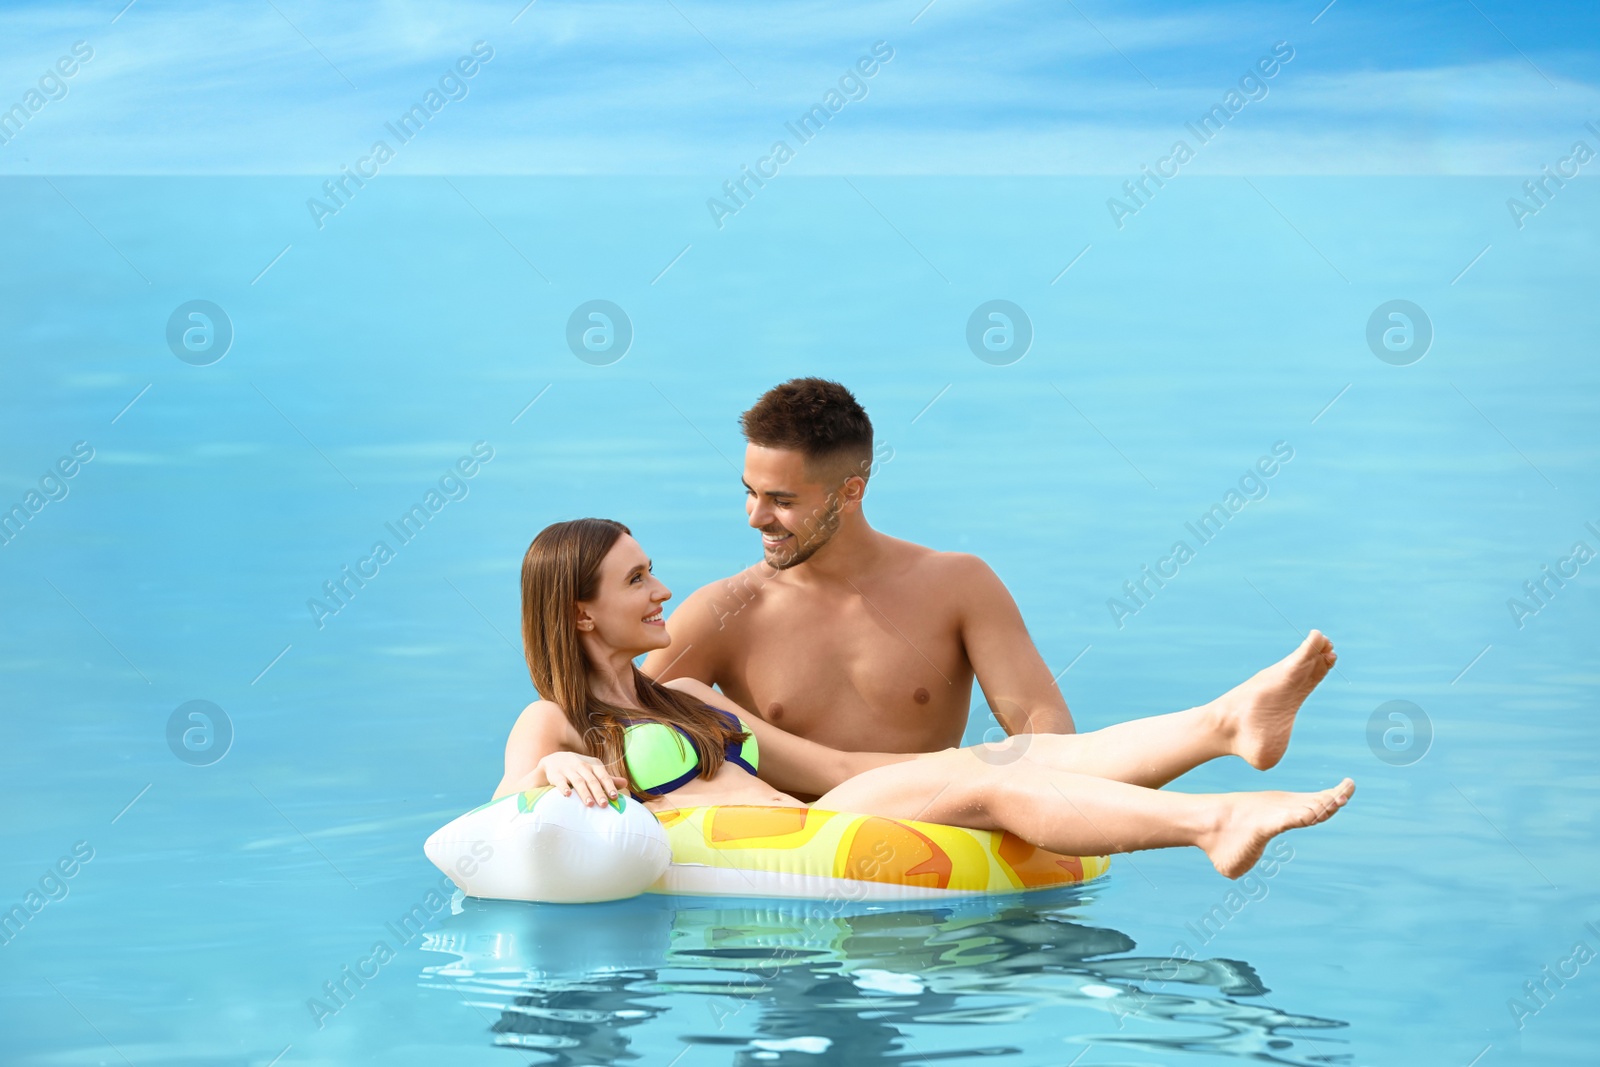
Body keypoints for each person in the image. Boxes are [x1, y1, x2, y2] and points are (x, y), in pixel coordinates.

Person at [496, 518, 1355, 880]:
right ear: (579, 610)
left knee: (1012, 759)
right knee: (992, 785)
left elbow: (831, 767)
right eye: (637, 579)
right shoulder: (556, 719)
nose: (662, 590)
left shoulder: (680, 692)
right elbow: (503, 814)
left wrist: (944, 762)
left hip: (821, 815)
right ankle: (1214, 821)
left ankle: (1225, 721)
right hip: (791, 847)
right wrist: (558, 764)